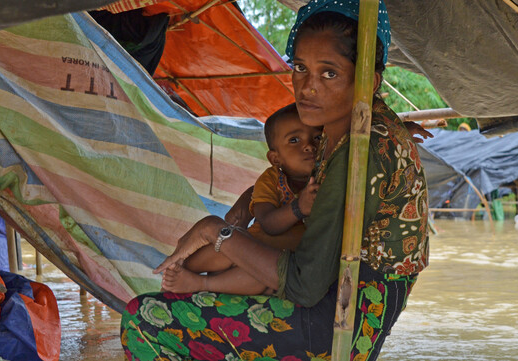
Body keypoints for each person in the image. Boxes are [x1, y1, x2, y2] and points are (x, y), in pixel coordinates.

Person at [120, 1, 430, 360]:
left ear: (368, 81)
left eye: (328, 73)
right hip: (335, 302)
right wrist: (245, 206)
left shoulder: (359, 153)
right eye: (300, 68)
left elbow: (304, 286)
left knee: (144, 317)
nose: (308, 87)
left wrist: (215, 231)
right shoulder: (353, 127)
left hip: (334, 327)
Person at [162, 104, 322, 295]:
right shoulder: (271, 180)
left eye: (318, 137)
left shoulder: (325, 180)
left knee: (258, 279)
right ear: (275, 159)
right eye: (294, 140)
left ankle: (201, 283)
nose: (309, 146)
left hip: (274, 263)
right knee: (223, 247)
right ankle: (180, 271)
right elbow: (269, 223)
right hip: (249, 245)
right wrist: (298, 208)